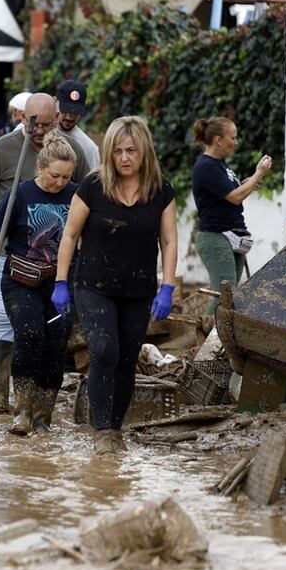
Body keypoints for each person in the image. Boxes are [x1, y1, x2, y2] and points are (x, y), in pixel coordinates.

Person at [53, 116, 178, 455]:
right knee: (104, 351)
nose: (125, 158)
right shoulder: (93, 186)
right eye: (118, 151)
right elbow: (70, 235)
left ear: (145, 152)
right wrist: (61, 281)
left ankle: (116, 427)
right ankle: (103, 430)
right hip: (93, 285)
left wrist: (167, 287)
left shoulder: (161, 191)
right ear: (109, 152)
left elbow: (168, 241)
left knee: (125, 360)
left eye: (132, 151)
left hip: (138, 290)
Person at [0, 93, 92, 415]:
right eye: (36, 123)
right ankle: (0, 394)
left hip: (56, 265)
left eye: (49, 124)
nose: (41, 130)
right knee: (6, 323)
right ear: (23, 118)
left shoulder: (70, 150)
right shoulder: (4, 148)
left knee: (47, 334)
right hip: (11, 253)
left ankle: (38, 403)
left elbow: (87, 194)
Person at [0, 131, 77, 435]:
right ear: (40, 168)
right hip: (20, 280)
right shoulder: (18, 195)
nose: (59, 182)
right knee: (31, 335)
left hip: (58, 282)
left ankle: (43, 415)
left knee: (56, 344)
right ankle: (21, 410)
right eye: (54, 176)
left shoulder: (77, 196)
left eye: (66, 177)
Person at [191, 117, 272, 316]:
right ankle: (205, 342)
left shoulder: (219, 165)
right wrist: (257, 173)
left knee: (230, 295)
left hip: (230, 235)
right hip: (215, 237)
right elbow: (235, 197)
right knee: (223, 295)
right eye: (233, 138)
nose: (236, 142)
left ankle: (216, 342)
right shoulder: (207, 166)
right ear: (219, 140)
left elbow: (230, 192)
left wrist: (251, 181)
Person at [55, 80, 101, 171]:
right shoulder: (35, 132)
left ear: (85, 105)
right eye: (65, 110)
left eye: (76, 112)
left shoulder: (89, 148)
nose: (69, 117)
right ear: (55, 101)